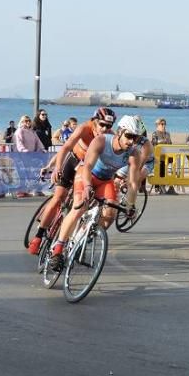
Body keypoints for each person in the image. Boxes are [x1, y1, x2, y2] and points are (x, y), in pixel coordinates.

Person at [47, 115, 143, 272]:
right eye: (129, 136)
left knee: (110, 215)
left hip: (106, 181)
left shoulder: (134, 154)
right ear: (119, 132)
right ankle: (58, 249)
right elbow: (87, 166)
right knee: (79, 207)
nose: (132, 141)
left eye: (136, 138)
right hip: (87, 175)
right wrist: (86, 186)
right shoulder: (101, 141)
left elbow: (133, 183)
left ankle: (82, 238)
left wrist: (130, 205)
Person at [28, 107, 115, 254]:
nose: (105, 129)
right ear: (94, 121)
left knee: (83, 205)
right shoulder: (83, 129)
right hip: (74, 161)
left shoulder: (109, 136)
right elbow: (66, 147)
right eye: (102, 125)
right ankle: (39, 236)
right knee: (58, 197)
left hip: (89, 169)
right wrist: (57, 168)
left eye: (109, 126)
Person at [149, 117, 176, 194]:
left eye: (165, 124)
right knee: (161, 167)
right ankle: (159, 187)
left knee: (173, 167)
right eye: (162, 124)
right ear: (157, 125)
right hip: (158, 156)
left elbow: (170, 143)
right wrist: (163, 141)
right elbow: (154, 144)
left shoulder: (167, 134)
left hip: (167, 155)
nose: (164, 126)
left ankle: (169, 186)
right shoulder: (155, 133)